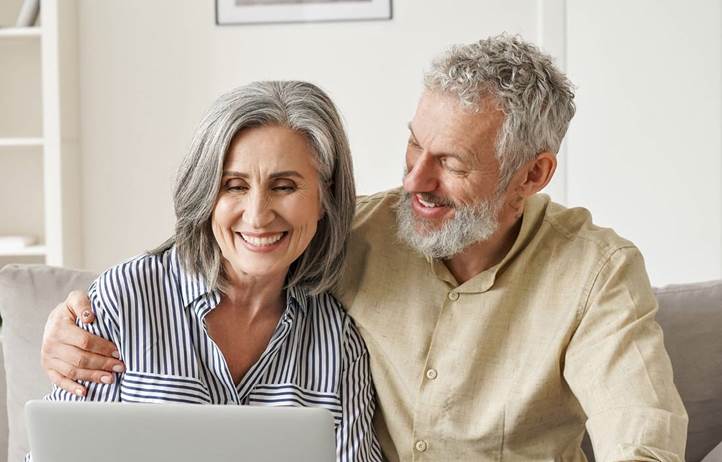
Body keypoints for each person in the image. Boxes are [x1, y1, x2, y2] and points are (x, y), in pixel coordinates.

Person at [40, 35, 687, 461]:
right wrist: (76, 316)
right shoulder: (357, 230)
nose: (413, 181)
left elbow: (644, 442)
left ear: (533, 175)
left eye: (451, 163)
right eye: (413, 145)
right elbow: (237, 234)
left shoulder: (595, 272)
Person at [34, 80, 383, 462]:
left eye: (284, 186)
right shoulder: (125, 300)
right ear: (206, 195)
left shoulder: (338, 342)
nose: (257, 215)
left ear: (324, 199)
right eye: (234, 186)